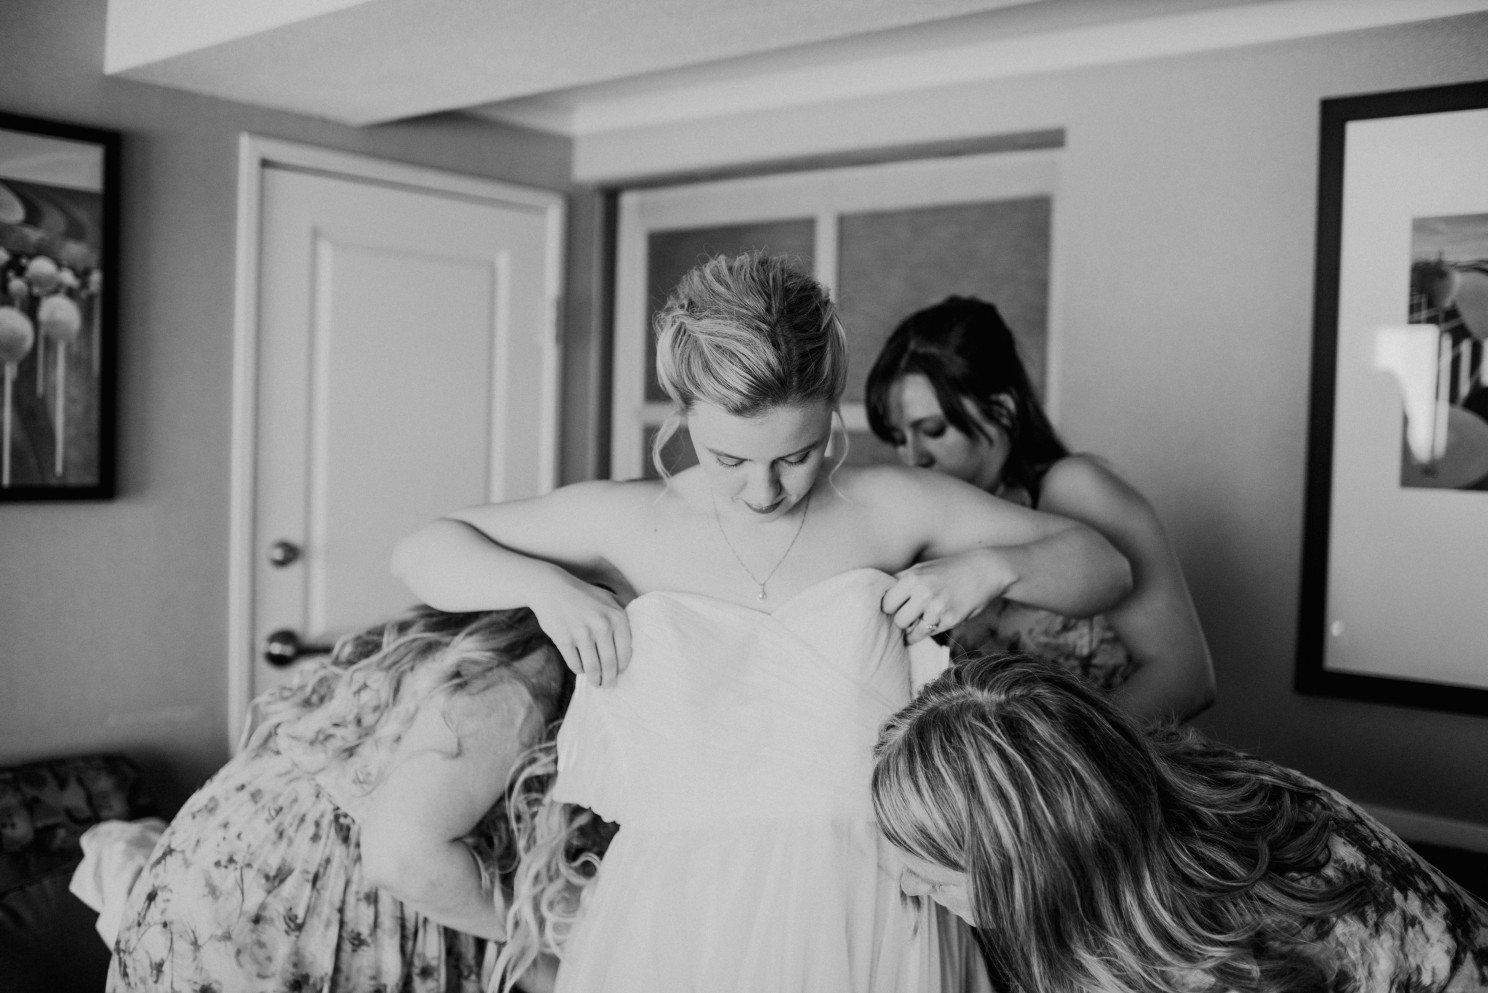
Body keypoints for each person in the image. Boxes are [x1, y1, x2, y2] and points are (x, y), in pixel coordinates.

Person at [390, 251, 1133, 992]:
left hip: (877, 906)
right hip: (678, 918)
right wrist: (543, 585)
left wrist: (987, 568)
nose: (764, 488)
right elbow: (420, 550)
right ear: (683, 415)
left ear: (831, 410)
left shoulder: (890, 504)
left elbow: (1105, 565)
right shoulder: (624, 521)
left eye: (799, 454)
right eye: (729, 458)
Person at [871, 654, 1488, 993]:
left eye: (936, 876)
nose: (904, 884)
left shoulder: (1209, 962)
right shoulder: (1167, 789)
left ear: (1041, 867)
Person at [106, 605, 608, 993]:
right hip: (308, 892)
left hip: (231, 857)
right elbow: (402, 860)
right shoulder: (528, 669)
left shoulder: (502, 619)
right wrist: (540, 937)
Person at [865, 295, 1216, 721]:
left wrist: (1075, 757)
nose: (913, 457)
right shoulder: (923, 522)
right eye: (899, 438)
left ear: (1002, 409)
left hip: (1100, 769)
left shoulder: (1074, 491)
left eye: (933, 430)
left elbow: (1186, 675)